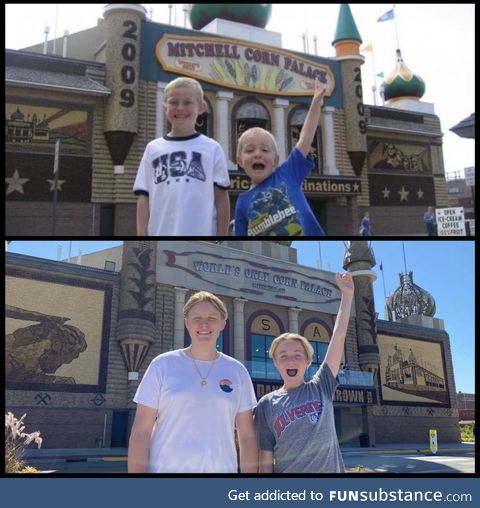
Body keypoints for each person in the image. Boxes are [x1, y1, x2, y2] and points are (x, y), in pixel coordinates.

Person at [128, 291, 258, 473]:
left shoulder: (237, 371)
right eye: (196, 317)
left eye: (212, 318)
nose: (204, 324)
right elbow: (141, 432)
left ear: (223, 324)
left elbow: (247, 437)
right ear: (187, 323)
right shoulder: (163, 365)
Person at [254, 272, 354, 473]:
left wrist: (347, 295)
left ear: (308, 361)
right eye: (283, 356)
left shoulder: (321, 386)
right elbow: (265, 455)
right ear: (275, 362)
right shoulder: (266, 404)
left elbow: (338, 335)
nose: (291, 359)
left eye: (298, 355)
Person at [133, 77, 230, 236]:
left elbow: (221, 198)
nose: (180, 108)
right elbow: (144, 197)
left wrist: (223, 236)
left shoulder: (213, 149)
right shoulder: (152, 149)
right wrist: (141, 235)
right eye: (173, 102)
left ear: (201, 107)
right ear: (165, 108)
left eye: (187, 102)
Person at [234, 78, 326, 236]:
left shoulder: (288, 173)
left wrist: (316, 102)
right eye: (250, 150)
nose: (257, 154)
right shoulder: (242, 203)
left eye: (264, 150)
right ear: (240, 160)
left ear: (276, 160)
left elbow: (305, 138)